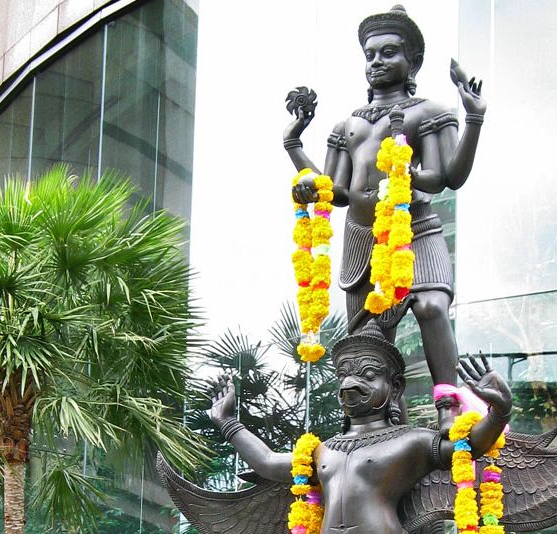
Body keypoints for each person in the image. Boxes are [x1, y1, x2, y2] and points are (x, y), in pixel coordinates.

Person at [283, 5, 487, 434]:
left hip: (412, 229)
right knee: (370, 340)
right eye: (370, 54)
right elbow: (334, 191)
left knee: (431, 306)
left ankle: (447, 403)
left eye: (389, 53)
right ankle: (379, 422)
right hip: (362, 238)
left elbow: (449, 176)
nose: (377, 61)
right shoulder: (348, 124)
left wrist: (473, 118)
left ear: (412, 62)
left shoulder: (426, 112)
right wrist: (294, 147)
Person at [208, 321, 512, 534]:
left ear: (394, 387)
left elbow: (469, 446)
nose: (351, 382)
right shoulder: (320, 451)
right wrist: (228, 422)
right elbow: (267, 462)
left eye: (367, 374)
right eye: (344, 374)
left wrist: (499, 412)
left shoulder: (411, 441)